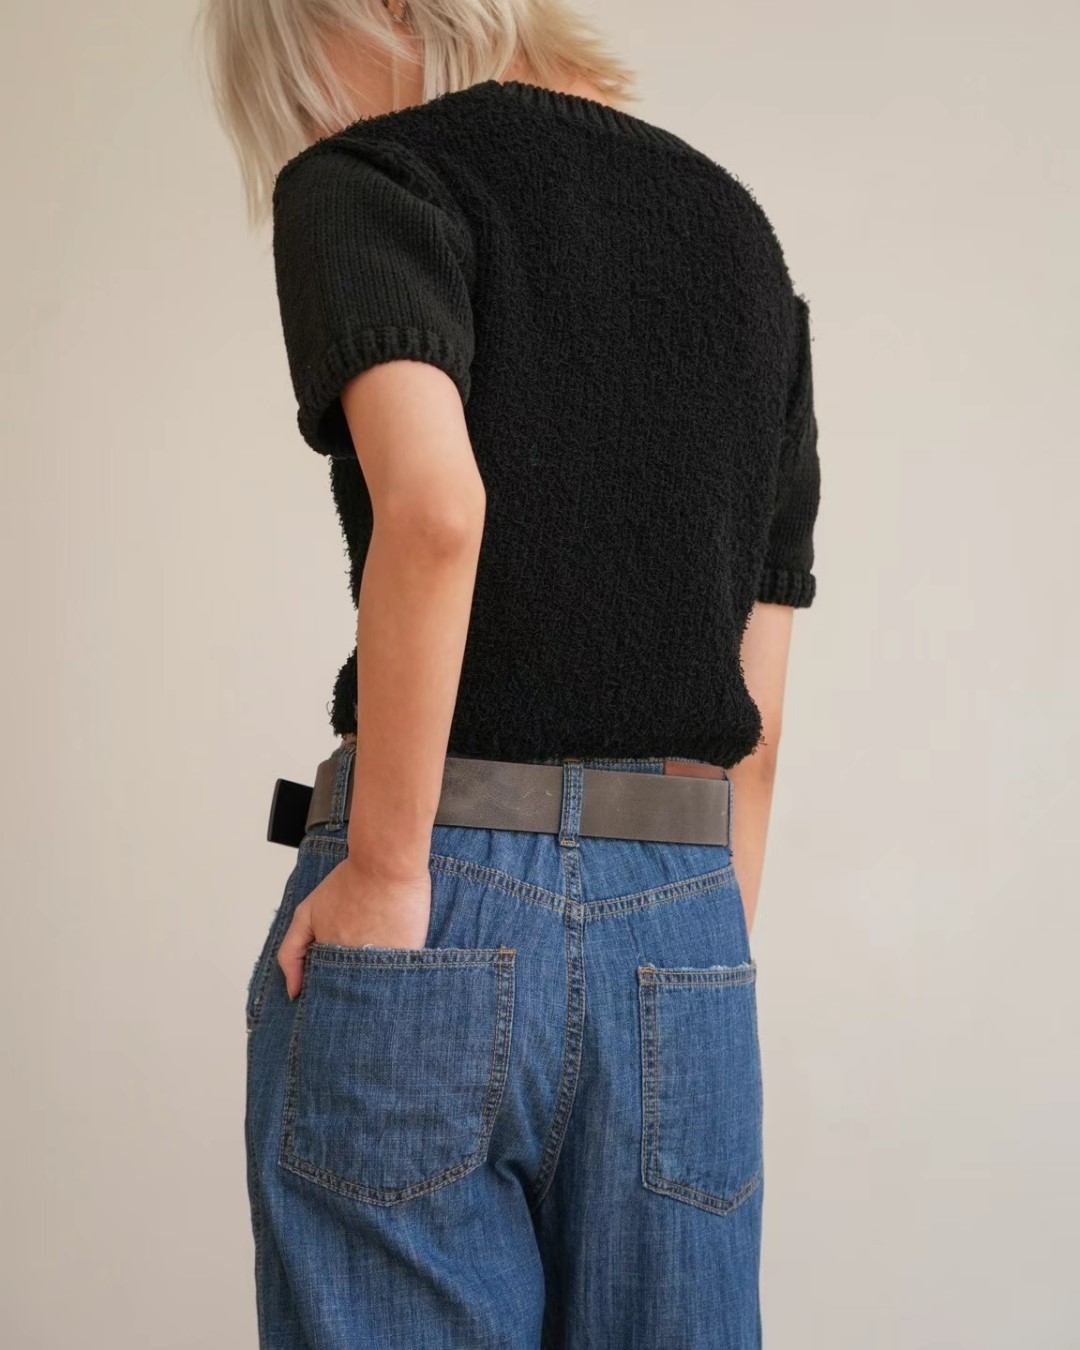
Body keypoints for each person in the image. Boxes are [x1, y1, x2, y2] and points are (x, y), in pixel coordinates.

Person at [198, 1, 821, 1345]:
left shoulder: (374, 181)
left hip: (438, 881)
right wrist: (697, 947)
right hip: (687, 913)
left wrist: (385, 870)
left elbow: (436, 511)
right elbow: (755, 704)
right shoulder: (741, 240)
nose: (307, 119)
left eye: (297, 78)